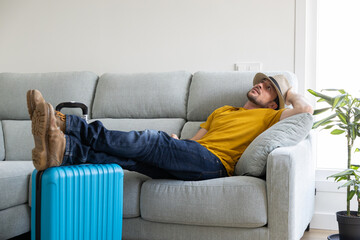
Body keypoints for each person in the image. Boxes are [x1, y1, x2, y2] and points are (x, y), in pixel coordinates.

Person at [27, 72, 313, 180]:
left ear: (275, 103)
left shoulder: (270, 117)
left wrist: (288, 91)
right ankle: (63, 153)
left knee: (152, 140)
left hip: (215, 165)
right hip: (193, 153)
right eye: (259, 83)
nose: (259, 86)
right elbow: (196, 139)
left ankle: (65, 122)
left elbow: (305, 110)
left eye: (267, 88)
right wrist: (176, 139)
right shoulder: (223, 111)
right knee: (132, 158)